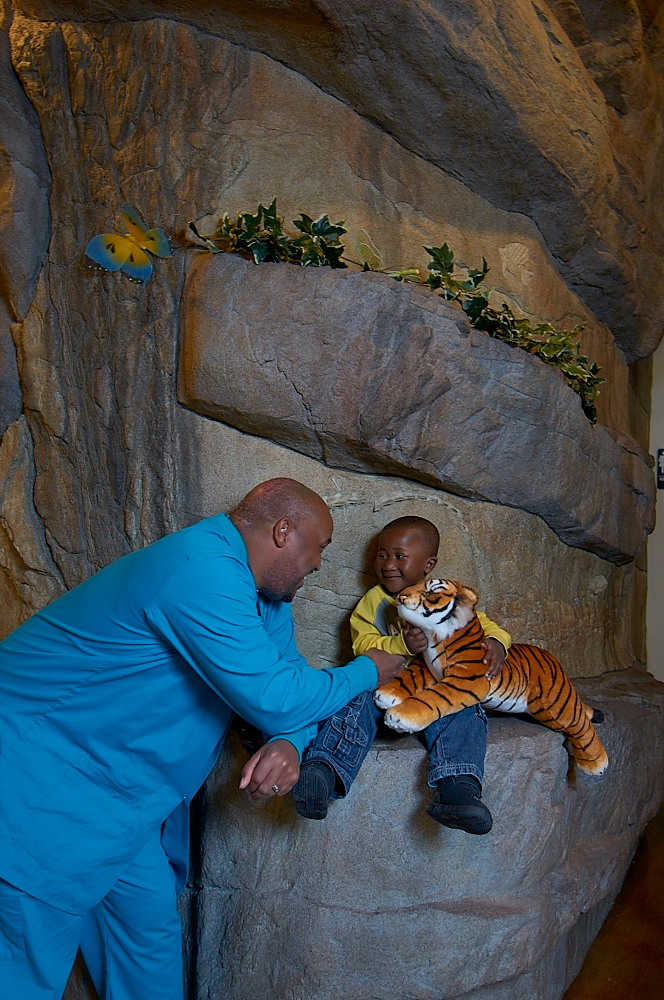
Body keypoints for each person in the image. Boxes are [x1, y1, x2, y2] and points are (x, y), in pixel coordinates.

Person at [0, 478, 404, 1000]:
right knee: (24, 972)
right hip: (43, 788)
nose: (320, 566)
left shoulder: (266, 601)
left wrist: (288, 744)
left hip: (122, 805)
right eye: (320, 548)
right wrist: (366, 670)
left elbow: (291, 687)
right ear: (284, 532)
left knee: (147, 948)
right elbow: (276, 696)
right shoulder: (201, 568)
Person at [292, 515, 511, 834]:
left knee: (465, 707)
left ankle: (458, 788)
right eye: (382, 554)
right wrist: (400, 644)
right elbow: (362, 644)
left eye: (400, 556)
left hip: (432, 692)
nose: (388, 564)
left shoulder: (446, 595)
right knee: (353, 700)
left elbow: (486, 626)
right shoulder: (374, 601)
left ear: (428, 564)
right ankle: (323, 770)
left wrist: (497, 643)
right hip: (385, 690)